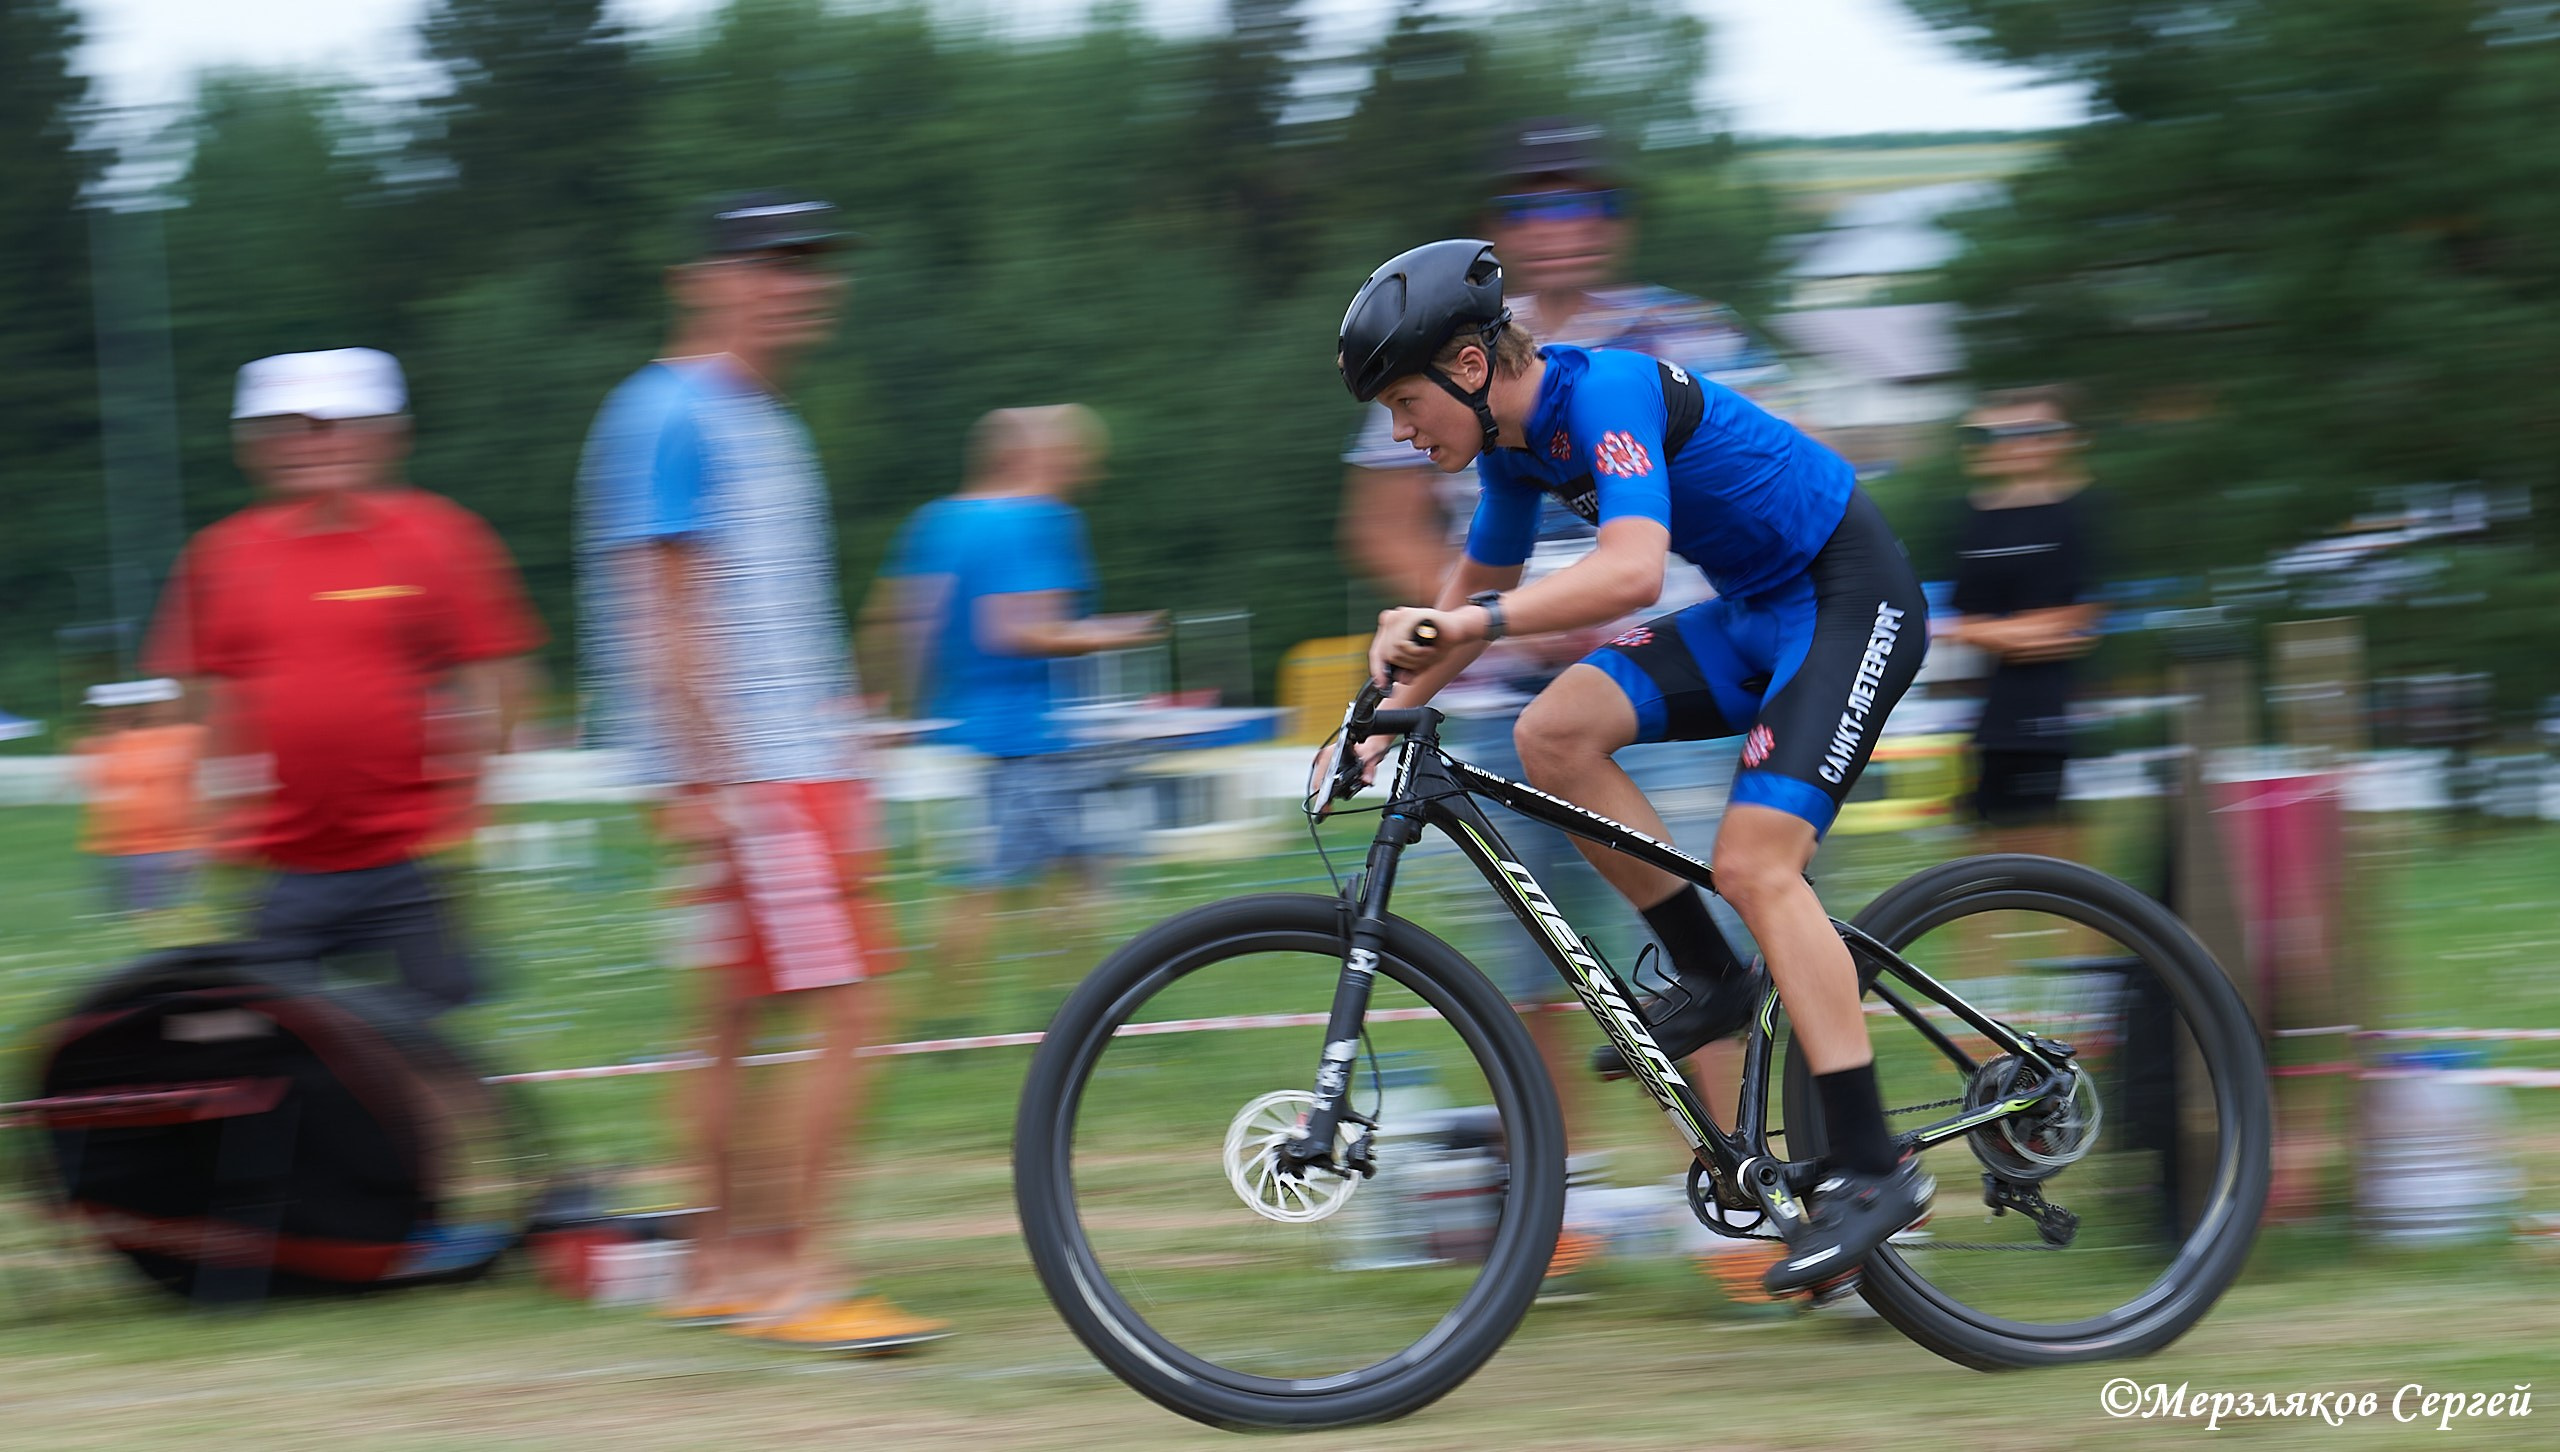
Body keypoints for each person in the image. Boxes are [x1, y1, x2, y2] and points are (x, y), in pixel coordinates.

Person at [1330, 239, 1932, 1295]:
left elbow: (1631, 570)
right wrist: (1375, 717)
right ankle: (1709, 974)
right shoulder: (1514, 448)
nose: (1398, 429)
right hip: (1758, 613)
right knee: (1551, 734)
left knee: (1757, 864)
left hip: (1847, 598)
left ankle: (1875, 1168)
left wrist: (1464, 620)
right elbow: (1470, 595)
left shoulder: (1601, 389)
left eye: (1401, 400)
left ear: (1468, 368)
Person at [1337, 119, 1782, 1157]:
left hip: (1663, 680)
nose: (1564, 225)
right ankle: (1559, 1196)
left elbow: (1756, 489)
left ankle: (1744, 1189)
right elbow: (1380, 521)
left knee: (1688, 941)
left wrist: (1544, 605)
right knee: (1529, 962)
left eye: (1585, 201)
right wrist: (1488, 622)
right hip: (1499, 693)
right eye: (1535, 205)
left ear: (1615, 221)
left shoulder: (1683, 329)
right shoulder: (1435, 342)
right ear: (1499, 232)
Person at [577, 192, 943, 1354]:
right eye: (770, 265)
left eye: (811, 265)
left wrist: (843, 731)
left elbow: (762, 608)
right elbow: (662, 611)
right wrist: (710, 781)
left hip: (788, 763)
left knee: (730, 1019)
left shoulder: (754, 414)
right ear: (706, 278)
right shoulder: (677, 410)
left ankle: (713, 1267)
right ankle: (798, 1271)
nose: (798, 284)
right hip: (759, 778)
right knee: (855, 1004)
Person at [144, 347, 540, 1015]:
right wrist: (200, 817)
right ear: (254, 446)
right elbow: (191, 707)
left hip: (409, 858)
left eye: (340, 424)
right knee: (273, 1050)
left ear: (389, 434)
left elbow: (499, 674)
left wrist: (475, 796)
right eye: (289, 428)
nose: (316, 445)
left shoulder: (441, 537)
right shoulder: (220, 556)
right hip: (280, 865)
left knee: (431, 1047)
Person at [862, 405, 1161, 1027]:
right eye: (1073, 455)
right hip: (1036, 733)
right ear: (1028, 458)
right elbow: (1017, 629)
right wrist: (1114, 635)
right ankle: (989, 1016)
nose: (1083, 468)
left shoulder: (941, 520)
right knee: (1004, 882)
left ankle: (1041, 1011)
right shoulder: (1038, 520)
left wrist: (888, 704)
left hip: (980, 728)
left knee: (1050, 873)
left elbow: (905, 616)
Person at [1942, 387, 2103, 853]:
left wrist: (2000, 632)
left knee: (2066, 869)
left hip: (2066, 719)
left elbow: (2077, 627)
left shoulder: (2082, 513)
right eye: (2006, 434)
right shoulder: (1973, 519)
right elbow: (1960, 626)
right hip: (1993, 723)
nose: (2021, 443)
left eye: (2039, 432)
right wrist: (2032, 630)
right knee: (1981, 870)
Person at [74, 678, 206, 928]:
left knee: (183, 919)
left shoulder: (189, 736)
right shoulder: (103, 745)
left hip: (178, 845)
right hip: (129, 847)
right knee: (138, 922)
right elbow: (93, 783)